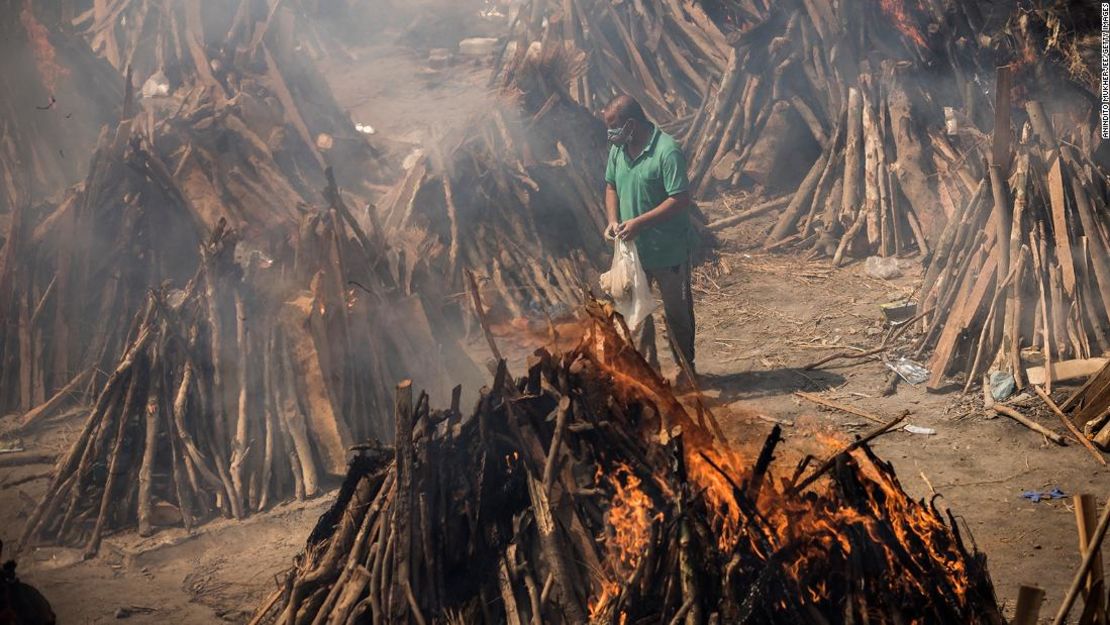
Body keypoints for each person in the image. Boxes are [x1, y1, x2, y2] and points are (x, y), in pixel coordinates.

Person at [602, 95, 698, 387]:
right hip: (634, 252)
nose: (611, 134)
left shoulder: (667, 151)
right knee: (636, 316)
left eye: (614, 126)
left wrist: (640, 223)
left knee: (677, 315)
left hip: (668, 252)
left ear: (631, 124)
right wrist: (612, 220)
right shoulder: (619, 149)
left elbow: (680, 198)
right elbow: (611, 185)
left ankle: (686, 371)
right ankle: (649, 375)